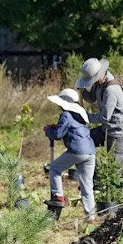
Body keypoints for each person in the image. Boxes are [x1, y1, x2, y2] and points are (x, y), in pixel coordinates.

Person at [45, 89, 96, 223]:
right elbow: (72, 129)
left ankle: (58, 196)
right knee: (87, 185)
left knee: (54, 168)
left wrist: (49, 130)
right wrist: (56, 127)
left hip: (77, 151)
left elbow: (58, 134)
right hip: (90, 152)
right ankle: (90, 216)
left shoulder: (66, 115)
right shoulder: (80, 114)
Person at [77, 57, 123, 165]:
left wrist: (85, 116)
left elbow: (104, 117)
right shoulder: (100, 84)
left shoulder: (111, 90)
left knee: (114, 166)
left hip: (118, 132)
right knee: (84, 140)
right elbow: (91, 98)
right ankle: (90, 169)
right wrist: (82, 90)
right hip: (106, 128)